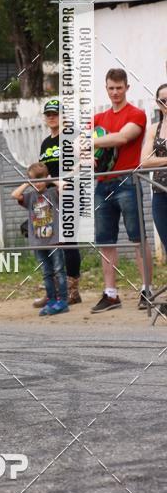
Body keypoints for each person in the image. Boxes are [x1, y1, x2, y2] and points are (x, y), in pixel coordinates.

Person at [91, 68, 152, 313]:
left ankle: (147, 290)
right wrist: (87, 155)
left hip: (128, 180)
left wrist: (88, 143)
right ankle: (111, 294)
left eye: (119, 87)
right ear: (106, 89)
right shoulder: (98, 118)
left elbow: (122, 138)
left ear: (127, 87)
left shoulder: (137, 114)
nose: (115, 92)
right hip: (102, 182)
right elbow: (77, 145)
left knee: (138, 239)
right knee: (105, 242)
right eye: (111, 88)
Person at [37, 98, 82, 305]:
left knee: (69, 243)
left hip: (69, 194)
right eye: (48, 114)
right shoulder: (46, 143)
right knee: (50, 242)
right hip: (49, 198)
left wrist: (65, 180)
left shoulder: (72, 136)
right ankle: (54, 289)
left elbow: (81, 163)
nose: (51, 117)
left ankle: (73, 290)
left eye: (55, 113)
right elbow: (42, 172)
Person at [12, 163, 69, 316]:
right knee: (46, 273)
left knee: (59, 270)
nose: (37, 183)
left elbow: (65, 187)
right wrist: (27, 182)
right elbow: (15, 195)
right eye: (34, 181)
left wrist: (51, 179)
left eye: (40, 180)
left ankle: (63, 301)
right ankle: (51, 300)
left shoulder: (52, 193)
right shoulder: (30, 197)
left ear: (46, 179)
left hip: (54, 240)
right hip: (38, 242)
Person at [140, 83, 167, 256]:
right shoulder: (154, 129)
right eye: (163, 100)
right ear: (158, 103)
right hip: (159, 192)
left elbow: (152, 159)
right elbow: (144, 161)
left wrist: (159, 160)